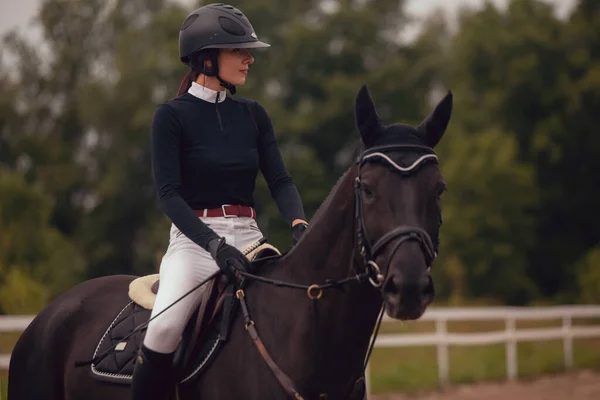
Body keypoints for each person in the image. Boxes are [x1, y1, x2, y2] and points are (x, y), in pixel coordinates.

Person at [131, 3, 309, 399]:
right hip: (195, 244)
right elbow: (168, 196)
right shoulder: (171, 117)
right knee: (162, 328)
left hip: (250, 239)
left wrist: (299, 224)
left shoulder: (254, 115)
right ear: (206, 59)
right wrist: (213, 245)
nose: (248, 59)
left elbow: (280, 180)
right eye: (238, 51)